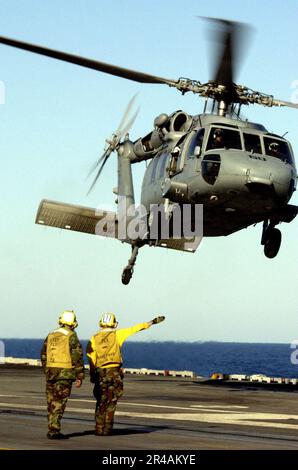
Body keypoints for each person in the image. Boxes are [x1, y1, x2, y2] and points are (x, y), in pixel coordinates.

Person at [86, 312, 165, 436]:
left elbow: (91, 357)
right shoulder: (117, 334)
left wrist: (92, 374)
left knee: (101, 400)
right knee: (112, 400)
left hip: (100, 372)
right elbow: (134, 329)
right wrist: (151, 322)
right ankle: (107, 428)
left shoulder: (94, 338)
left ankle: (98, 427)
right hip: (114, 372)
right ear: (113, 323)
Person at [40, 310, 84, 439]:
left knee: (51, 402)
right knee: (59, 401)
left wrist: (47, 370)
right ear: (73, 323)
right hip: (64, 374)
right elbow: (77, 356)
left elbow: (43, 354)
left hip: (50, 373)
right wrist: (80, 375)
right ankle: (54, 430)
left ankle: (52, 427)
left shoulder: (51, 335)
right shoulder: (71, 336)